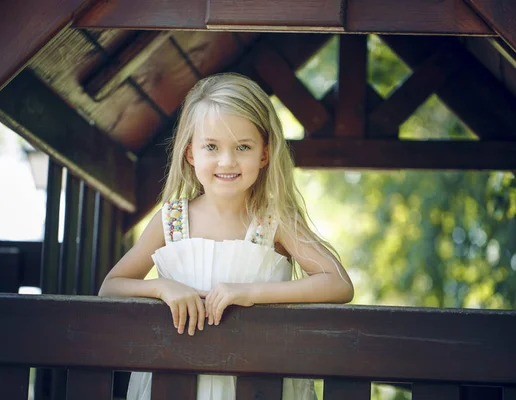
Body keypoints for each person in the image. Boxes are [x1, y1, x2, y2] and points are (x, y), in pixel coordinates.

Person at [99, 72, 354, 400]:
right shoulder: (172, 220)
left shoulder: (274, 221)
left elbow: (338, 284)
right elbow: (111, 287)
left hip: (261, 384)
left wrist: (251, 293)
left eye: (243, 147)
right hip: (174, 383)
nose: (227, 161)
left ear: (264, 153)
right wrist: (162, 288)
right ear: (191, 153)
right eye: (211, 146)